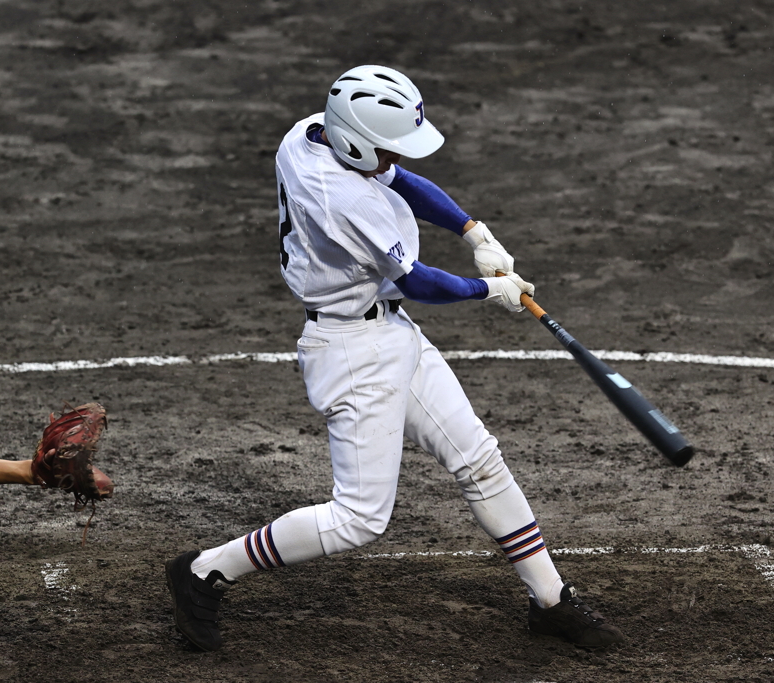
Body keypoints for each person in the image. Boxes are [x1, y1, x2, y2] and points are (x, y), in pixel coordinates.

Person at [165, 64, 624, 652]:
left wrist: (473, 231)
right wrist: (491, 290)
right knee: (359, 518)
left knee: (480, 459)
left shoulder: (309, 134)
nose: (392, 160)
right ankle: (204, 570)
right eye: (385, 150)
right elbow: (420, 282)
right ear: (356, 140)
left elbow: (400, 179)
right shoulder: (343, 199)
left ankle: (551, 602)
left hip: (390, 336)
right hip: (353, 353)